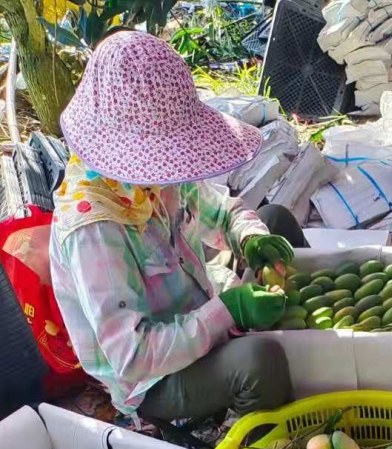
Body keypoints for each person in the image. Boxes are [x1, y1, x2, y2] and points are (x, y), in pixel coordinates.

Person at [50, 30, 305, 425]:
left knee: (275, 221)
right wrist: (229, 311)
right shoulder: (93, 229)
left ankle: (308, 347)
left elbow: (219, 211)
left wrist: (250, 238)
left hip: (197, 305)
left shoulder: (157, 175)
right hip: (154, 378)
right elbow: (133, 357)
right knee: (260, 361)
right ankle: (251, 440)